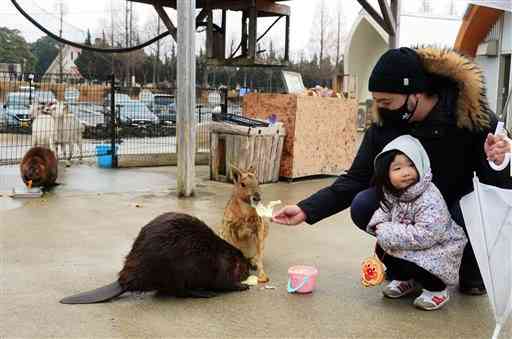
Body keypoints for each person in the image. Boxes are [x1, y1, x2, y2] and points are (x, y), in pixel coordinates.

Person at [272, 47, 512, 295]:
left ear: (414, 94)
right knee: (364, 204)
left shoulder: (470, 117)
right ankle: (409, 269)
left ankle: (470, 264)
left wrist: (500, 161)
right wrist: (306, 209)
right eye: (377, 101)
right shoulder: (386, 125)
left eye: (386, 101)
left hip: (455, 210)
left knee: (474, 211)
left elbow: (497, 191)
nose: (381, 108)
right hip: (409, 210)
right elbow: (356, 178)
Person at [367, 135, 467, 310]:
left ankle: (437, 290)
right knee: (381, 247)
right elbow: (384, 210)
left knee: (425, 261)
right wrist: (378, 225)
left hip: (440, 247)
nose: (406, 172)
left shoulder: (428, 197)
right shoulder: (392, 192)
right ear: (385, 173)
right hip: (410, 240)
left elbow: (427, 235)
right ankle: (405, 280)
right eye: (397, 168)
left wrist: (388, 231)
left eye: (412, 165)